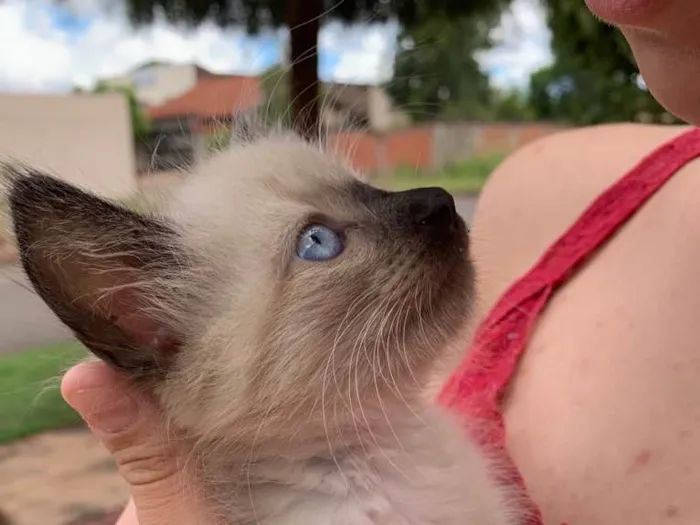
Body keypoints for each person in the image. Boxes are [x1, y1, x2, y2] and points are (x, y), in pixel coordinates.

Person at [60, 1, 700, 523]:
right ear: (157, 333)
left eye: (366, 190)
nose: (429, 207)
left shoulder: (447, 460)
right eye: (319, 241)